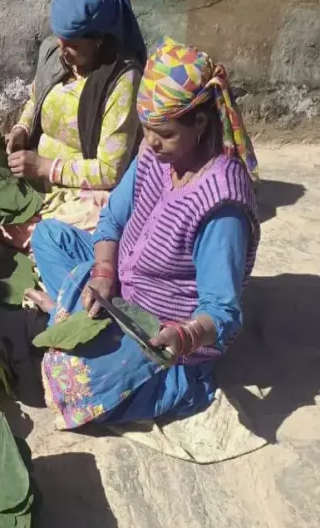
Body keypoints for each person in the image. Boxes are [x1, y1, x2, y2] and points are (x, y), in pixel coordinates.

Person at [27, 37, 260, 429]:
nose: (150, 142)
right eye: (147, 129)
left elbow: (222, 313)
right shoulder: (155, 153)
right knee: (48, 236)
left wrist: (182, 337)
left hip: (159, 325)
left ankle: (187, 384)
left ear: (199, 123)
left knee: (78, 397)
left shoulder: (221, 208)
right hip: (122, 285)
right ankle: (73, 307)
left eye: (164, 133)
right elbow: (113, 220)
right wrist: (103, 273)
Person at [0, 0, 146, 250]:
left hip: (82, 191)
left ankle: (30, 234)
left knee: (101, 217)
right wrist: (21, 129)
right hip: (34, 176)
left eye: (71, 42)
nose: (60, 47)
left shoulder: (122, 80)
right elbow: (35, 100)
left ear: (99, 39)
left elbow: (111, 171)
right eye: (59, 38)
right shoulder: (54, 54)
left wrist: (45, 168)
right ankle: (32, 234)